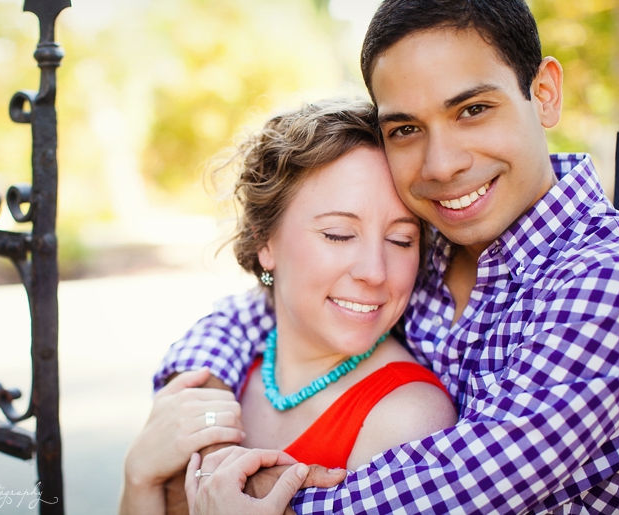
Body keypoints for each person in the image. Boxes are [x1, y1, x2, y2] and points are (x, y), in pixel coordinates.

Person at [155, 0, 619, 513]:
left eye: (473, 110)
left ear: (544, 93)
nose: (442, 165)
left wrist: (264, 496)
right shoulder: (429, 240)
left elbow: (480, 477)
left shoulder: (607, 272)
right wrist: (203, 407)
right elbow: (262, 306)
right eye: (405, 129)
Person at [120, 98, 458, 514]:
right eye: (338, 234)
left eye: (401, 240)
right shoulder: (226, 368)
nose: (375, 272)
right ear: (266, 241)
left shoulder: (408, 419)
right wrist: (139, 476)